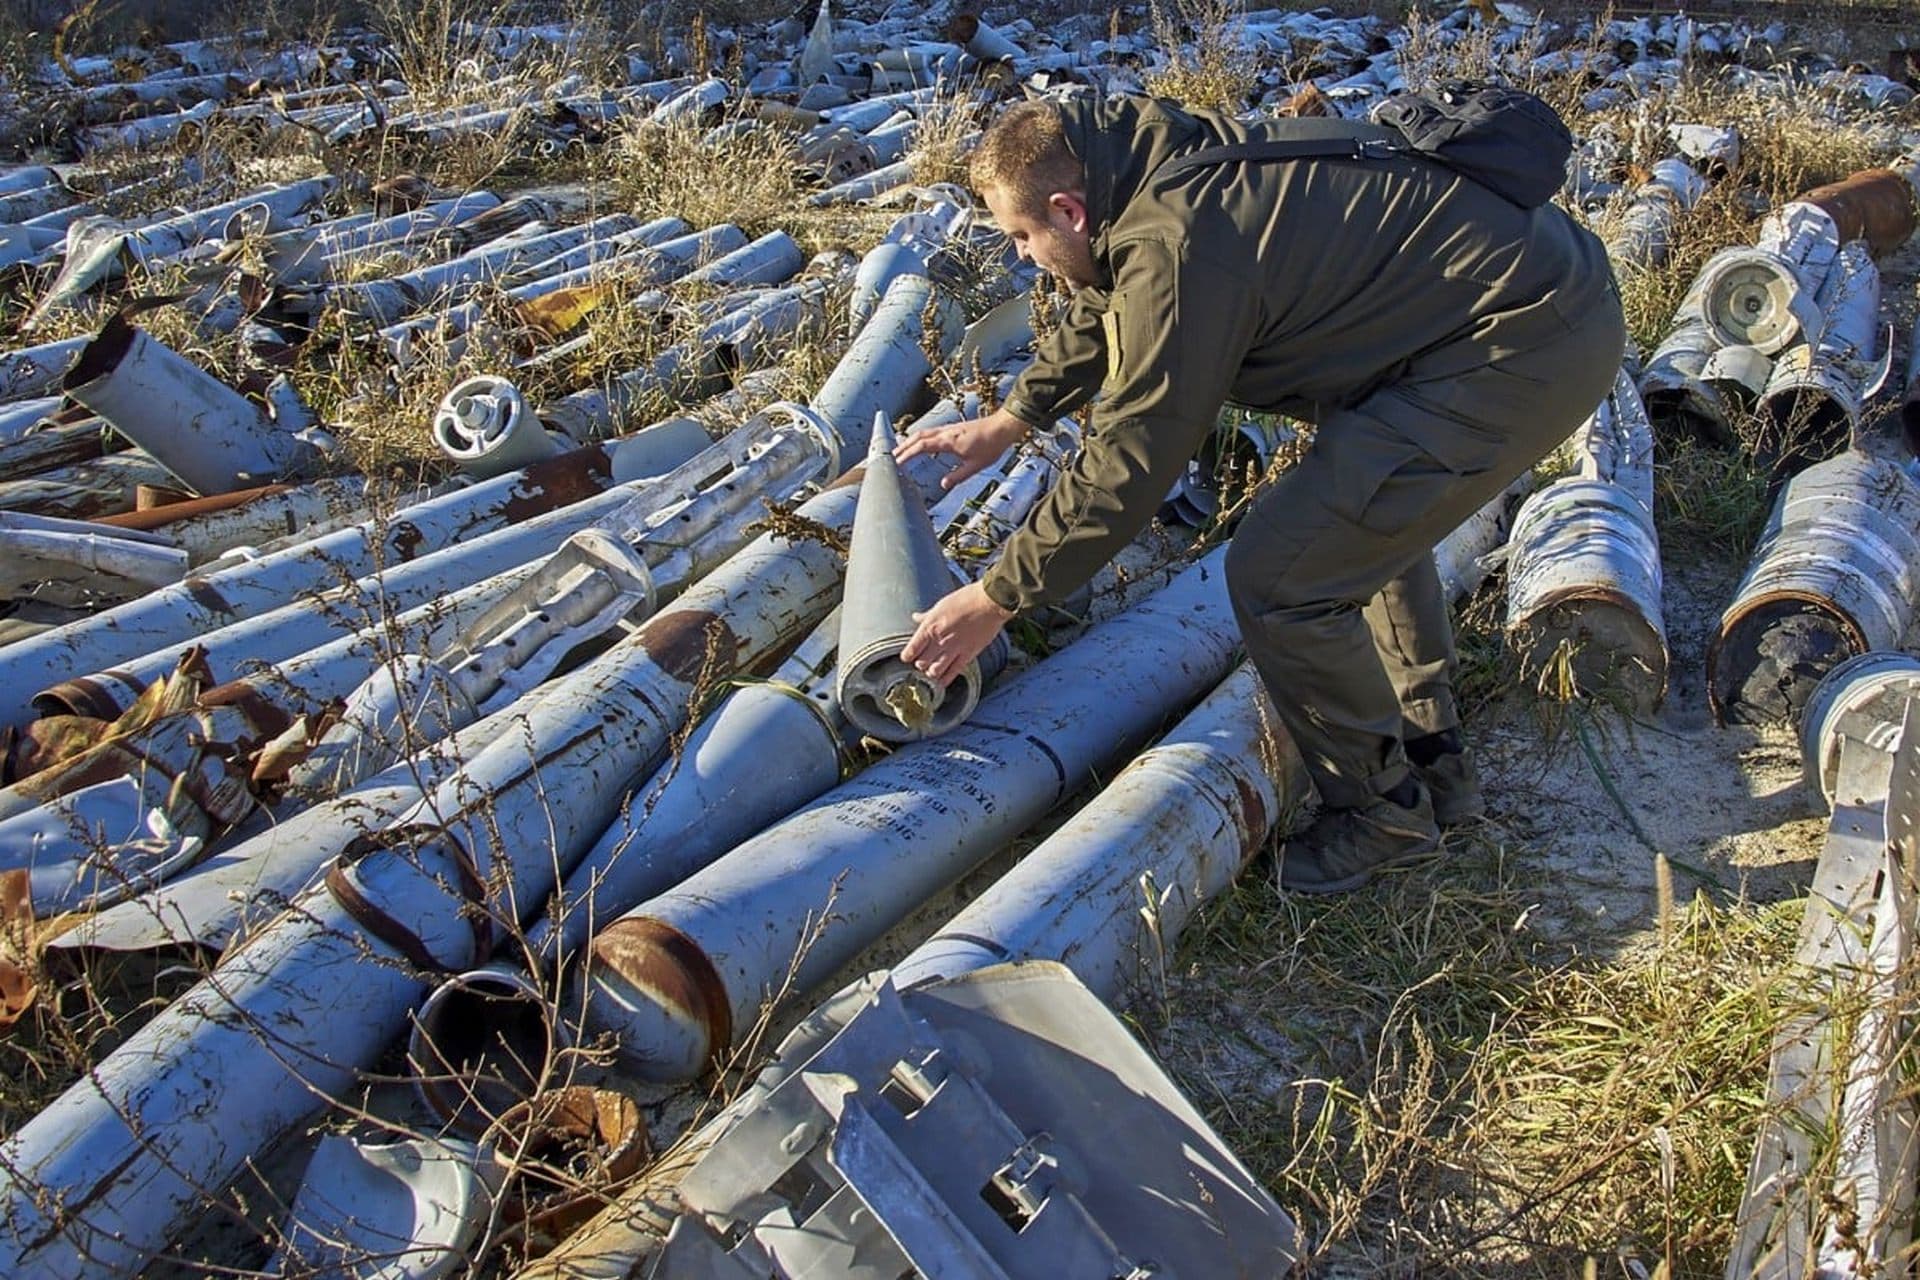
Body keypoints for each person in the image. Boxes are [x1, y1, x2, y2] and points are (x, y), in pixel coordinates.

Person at [895, 94, 1624, 893]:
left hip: (1518, 345)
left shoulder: (1176, 242)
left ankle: (1382, 815)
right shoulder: (1142, 168)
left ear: (1067, 209)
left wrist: (998, 596)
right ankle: (1428, 752)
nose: (1026, 257)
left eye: (1023, 238)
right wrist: (1011, 417)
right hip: (1504, 314)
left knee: (1285, 574)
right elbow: (1109, 300)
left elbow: (1133, 455)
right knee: (1354, 529)